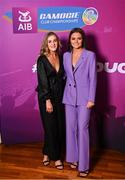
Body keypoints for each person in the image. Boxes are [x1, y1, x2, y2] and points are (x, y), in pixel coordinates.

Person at [62, 28, 97, 177]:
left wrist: (91, 99)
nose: (76, 41)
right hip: (69, 97)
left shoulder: (90, 55)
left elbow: (93, 78)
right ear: (69, 40)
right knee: (70, 129)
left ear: (83, 40)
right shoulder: (65, 55)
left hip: (84, 99)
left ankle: (83, 165)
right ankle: (73, 158)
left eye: (79, 38)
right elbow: (63, 75)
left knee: (82, 129)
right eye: (73, 38)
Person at [36, 32, 65, 170]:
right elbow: (42, 82)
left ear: (58, 43)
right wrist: (47, 100)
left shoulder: (60, 56)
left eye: (55, 41)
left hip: (60, 96)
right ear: (46, 44)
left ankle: (46, 153)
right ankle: (56, 157)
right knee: (50, 126)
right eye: (50, 41)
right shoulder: (42, 59)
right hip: (46, 97)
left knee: (58, 126)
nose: (53, 43)